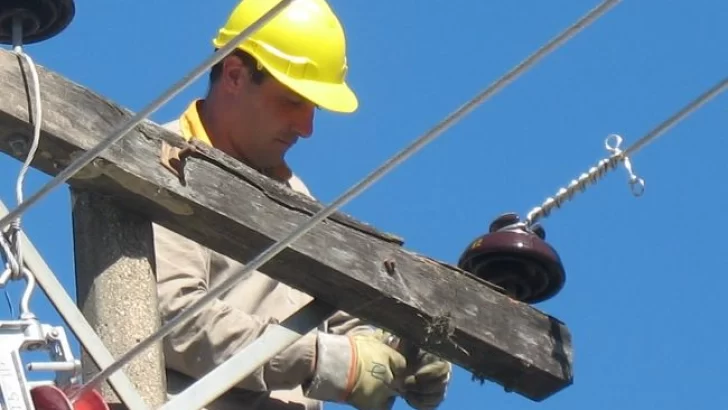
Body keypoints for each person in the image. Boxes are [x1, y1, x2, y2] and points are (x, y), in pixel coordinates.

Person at [153, 0, 452, 409]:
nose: (307, 128)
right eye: (293, 101)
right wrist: (320, 360)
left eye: (313, 109)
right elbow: (170, 321)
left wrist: (397, 347)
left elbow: (334, 315)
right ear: (236, 75)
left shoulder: (296, 195)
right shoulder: (159, 163)